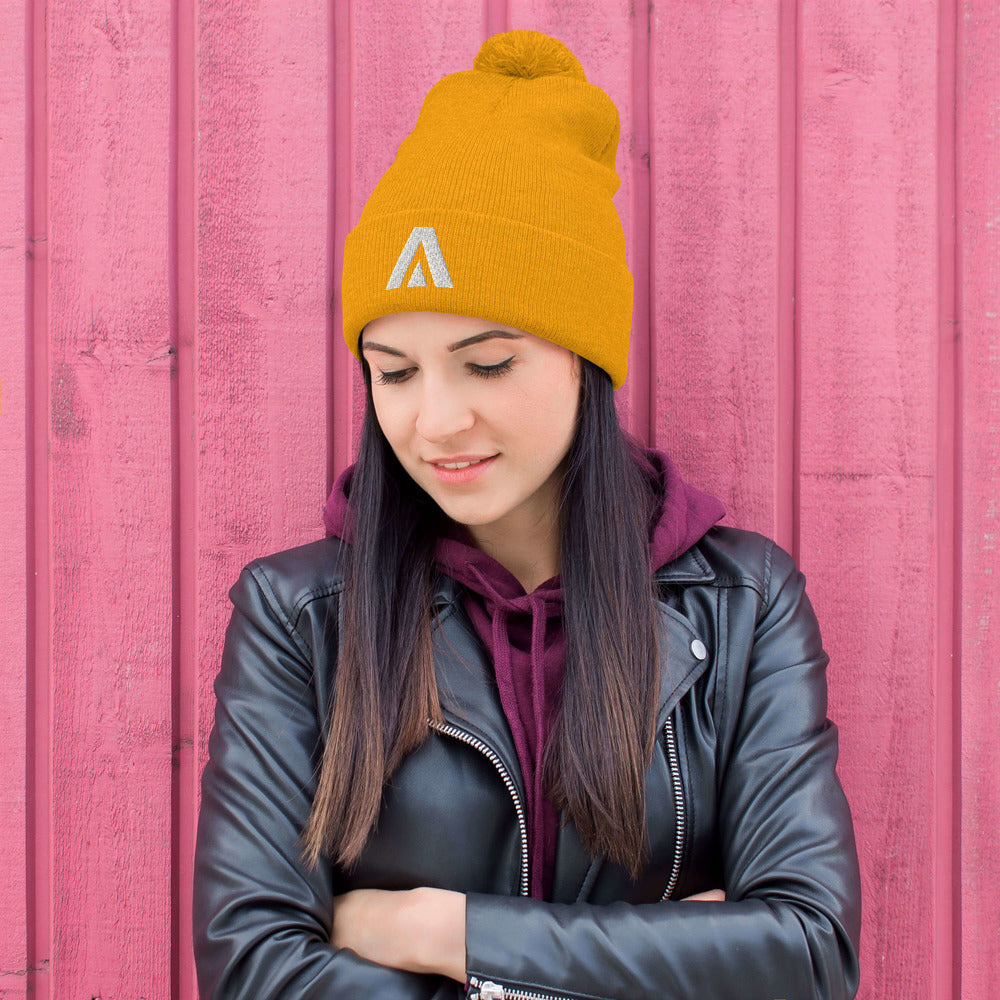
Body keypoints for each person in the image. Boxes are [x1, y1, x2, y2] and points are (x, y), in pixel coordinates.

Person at [192, 28, 862, 1000]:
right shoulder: (300, 617)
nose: (436, 421)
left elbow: (807, 954)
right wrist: (673, 953)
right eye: (394, 373)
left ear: (584, 361)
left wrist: (439, 929)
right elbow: (256, 970)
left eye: (488, 363)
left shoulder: (741, 603)